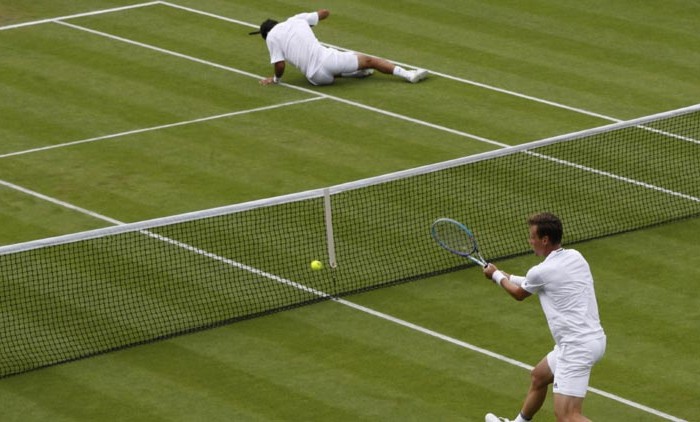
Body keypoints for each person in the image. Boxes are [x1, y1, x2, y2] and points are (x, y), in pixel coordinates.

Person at [482, 212, 606, 422]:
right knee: (539, 377)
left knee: (567, 416)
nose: (530, 241)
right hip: (593, 340)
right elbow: (536, 282)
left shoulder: (541, 272)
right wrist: (505, 275)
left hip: (576, 347)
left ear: (545, 239)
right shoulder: (575, 257)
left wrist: (495, 276)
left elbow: (519, 293)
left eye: (533, 237)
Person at [249, 9, 428, 86]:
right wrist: (308, 24)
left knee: (337, 70)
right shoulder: (297, 19)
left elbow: (280, 65)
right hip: (329, 62)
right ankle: (408, 75)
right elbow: (325, 13)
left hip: (317, 78)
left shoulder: (272, 37)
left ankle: (357, 73)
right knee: (369, 60)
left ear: (266, 33)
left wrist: (275, 80)